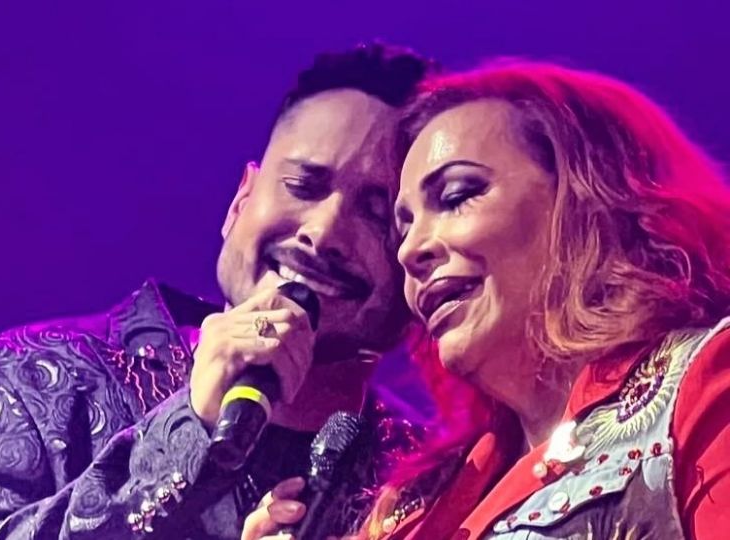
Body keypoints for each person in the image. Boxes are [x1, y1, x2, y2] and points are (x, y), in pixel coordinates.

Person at [0, 43, 436, 540]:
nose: (324, 233)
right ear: (241, 201)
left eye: (377, 216)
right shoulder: (23, 383)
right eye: (304, 186)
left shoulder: (430, 476)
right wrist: (184, 436)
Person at [243, 60, 730, 539]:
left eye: (456, 196)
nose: (409, 251)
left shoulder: (702, 390)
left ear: (588, 199)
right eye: (403, 228)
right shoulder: (410, 506)